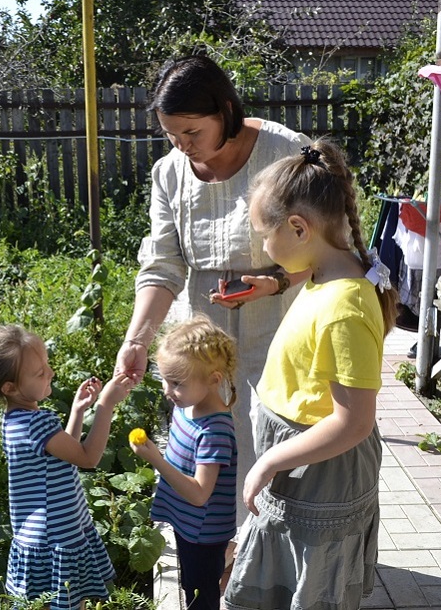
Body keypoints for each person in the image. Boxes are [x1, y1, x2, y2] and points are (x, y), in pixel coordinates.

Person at [114, 54, 312, 531]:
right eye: (171, 135)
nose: (182, 146)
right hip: (203, 336)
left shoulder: (285, 154)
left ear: (224, 110)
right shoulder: (169, 173)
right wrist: (136, 340)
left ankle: (271, 551)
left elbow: (330, 246)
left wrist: (277, 281)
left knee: (273, 438)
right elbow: (162, 265)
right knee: (210, 444)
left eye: (192, 133)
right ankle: (219, 546)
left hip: (280, 320)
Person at [223, 140, 398, 610]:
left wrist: (268, 462)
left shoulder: (345, 308)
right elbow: (315, 271)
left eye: (265, 234)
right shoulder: (329, 269)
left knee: (312, 585)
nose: (263, 246)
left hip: (320, 465)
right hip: (305, 454)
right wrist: (277, 281)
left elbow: (353, 422)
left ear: (299, 227)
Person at [0, 325, 134, 610]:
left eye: (47, 364)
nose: (51, 373)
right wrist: (105, 405)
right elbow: (87, 457)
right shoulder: (37, 423)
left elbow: (62, 453)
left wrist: (78, 411)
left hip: (38, 537)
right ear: (10, 387)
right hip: (58, 534)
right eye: (39, 372)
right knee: (70, 603)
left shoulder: (15, 420)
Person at [128, 315, 238, 610]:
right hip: (187, 524)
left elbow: (200, 494)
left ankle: (224, 563)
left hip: (204, 532)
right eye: (164, 378)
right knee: (192, 584)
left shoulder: (215, 430)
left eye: (176, 382)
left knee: (201, 595)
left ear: (214, 379)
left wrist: (155, 459)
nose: (167, 389)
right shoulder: (187, 407)